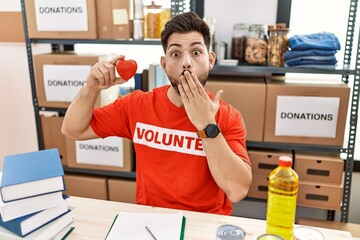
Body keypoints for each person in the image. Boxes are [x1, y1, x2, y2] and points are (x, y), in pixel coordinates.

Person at [62, 11, 252, 215]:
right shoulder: (137, 106)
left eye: (196, 52)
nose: (186, 62)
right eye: (176, 54)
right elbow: (73, 130)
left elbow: (237, 190)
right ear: (164, 64)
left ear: (211, 60)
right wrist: (91, 87)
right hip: (151, 220)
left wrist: (206, 124)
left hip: (205, 223)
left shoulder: (229, 116)